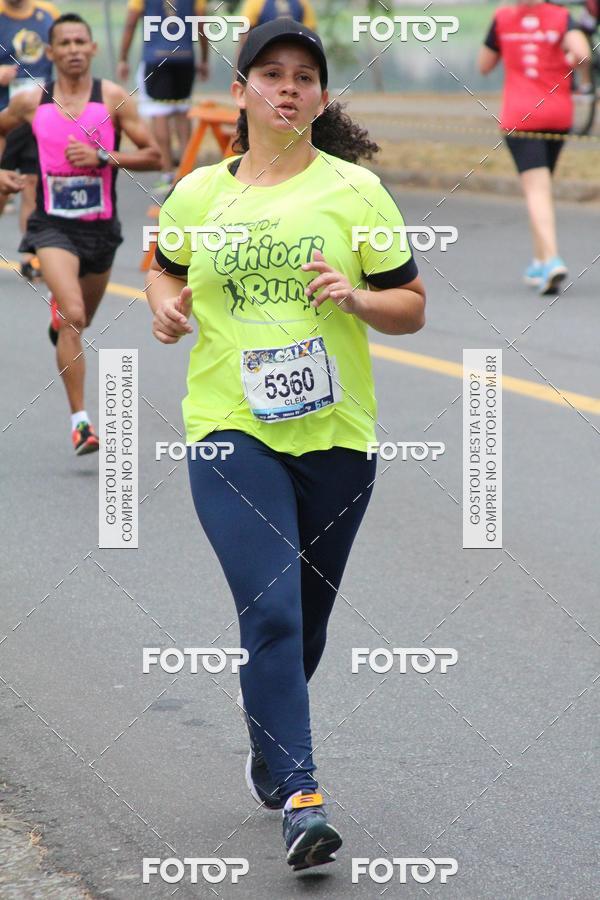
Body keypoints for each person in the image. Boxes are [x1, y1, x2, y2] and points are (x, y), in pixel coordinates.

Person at [146, 18, 425, 871]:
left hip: (336, 437)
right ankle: (303, 797)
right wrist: (164, 301)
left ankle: (269, 737)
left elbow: (410, 304)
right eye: (271, 72)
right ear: (241, 91)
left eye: (305, 75)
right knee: (269, 606)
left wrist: (354, 298)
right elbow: (161, 260)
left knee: (303, 623)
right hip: (228, 427)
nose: (289, 86)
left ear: (320, 95)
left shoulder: (356, 192)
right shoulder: (199, 192)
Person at [0, 13, 161, 455]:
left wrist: (102, 157)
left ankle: (63, 318)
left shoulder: (111, 98)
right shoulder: (30, 101)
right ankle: (82, 424)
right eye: (63, 43)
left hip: (101, 231)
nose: (72, 49)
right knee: (72, 313)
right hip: (52, 227)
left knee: (80, 319)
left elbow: (156, 154)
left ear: (92, 49)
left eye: (79, 42)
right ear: (50, 53)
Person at [478, 0, 591, 295]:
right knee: (540, 186)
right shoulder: (561, 17)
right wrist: (570, 57)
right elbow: (582, 53)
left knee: (536, 189)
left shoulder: (503, 18)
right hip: (557, 116)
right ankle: (539, 259)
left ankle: (551, 260)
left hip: (521, 116)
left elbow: (484, 65)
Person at [117, 0, 209, 196]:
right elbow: (201, 23)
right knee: (183, 113)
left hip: (156, 56)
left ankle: (168, 174)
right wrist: (204, 58)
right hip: (185, 56)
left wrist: (123, 58)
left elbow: (131, 22)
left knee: (159, 113)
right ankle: (187, 174)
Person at [0, 0, 59, 280]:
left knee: (31, 184)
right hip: (3, 118)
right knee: (2, 188)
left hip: (36, 118)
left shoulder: (48, 15)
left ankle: (29, 255)